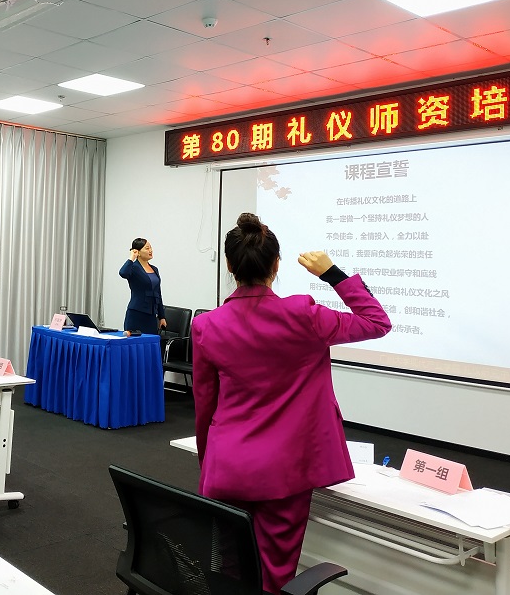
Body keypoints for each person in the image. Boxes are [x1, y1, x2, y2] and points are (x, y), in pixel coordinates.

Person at [191, 213, 391, 595]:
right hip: (285, 470)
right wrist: (332, 273)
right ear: (276, 265)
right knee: (275, 574)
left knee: (231, 570)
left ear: (229, 266)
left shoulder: (206, 326)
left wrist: (209, 463)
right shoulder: (304, 315)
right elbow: (376, 321)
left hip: (228, 464)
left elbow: (205, 405)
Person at [118, 238, 166, 335]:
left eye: (151, 248)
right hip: (136, 313)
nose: (150, 250)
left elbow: (158, 294)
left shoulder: (155, 269)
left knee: (150, 341)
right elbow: (123, 273)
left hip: (151, 315)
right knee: (134, 342)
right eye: (147, 248)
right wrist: (132, 257)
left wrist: (162, 316)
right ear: (138, 252)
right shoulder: (133, 267)